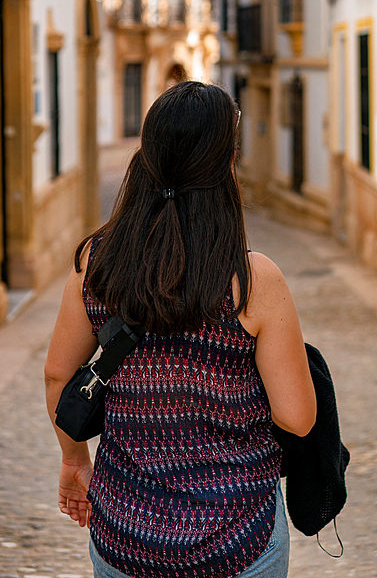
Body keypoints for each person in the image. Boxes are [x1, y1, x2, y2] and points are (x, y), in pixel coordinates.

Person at [44, 81, 316, 578]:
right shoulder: (252, 281)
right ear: (226, 166)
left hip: (125, 533)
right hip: (238, 540)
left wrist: (74, 461)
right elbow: (297, 418)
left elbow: (59, 378)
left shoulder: (97, 265)